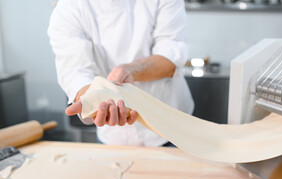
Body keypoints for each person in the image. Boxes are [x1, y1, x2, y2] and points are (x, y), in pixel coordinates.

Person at [48, 0, 194, 146]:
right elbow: (75, 71)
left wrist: (131, 70)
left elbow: (170, 55)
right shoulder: (69, 7)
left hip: (171, 128)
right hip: (113, 135)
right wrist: (93, 101)